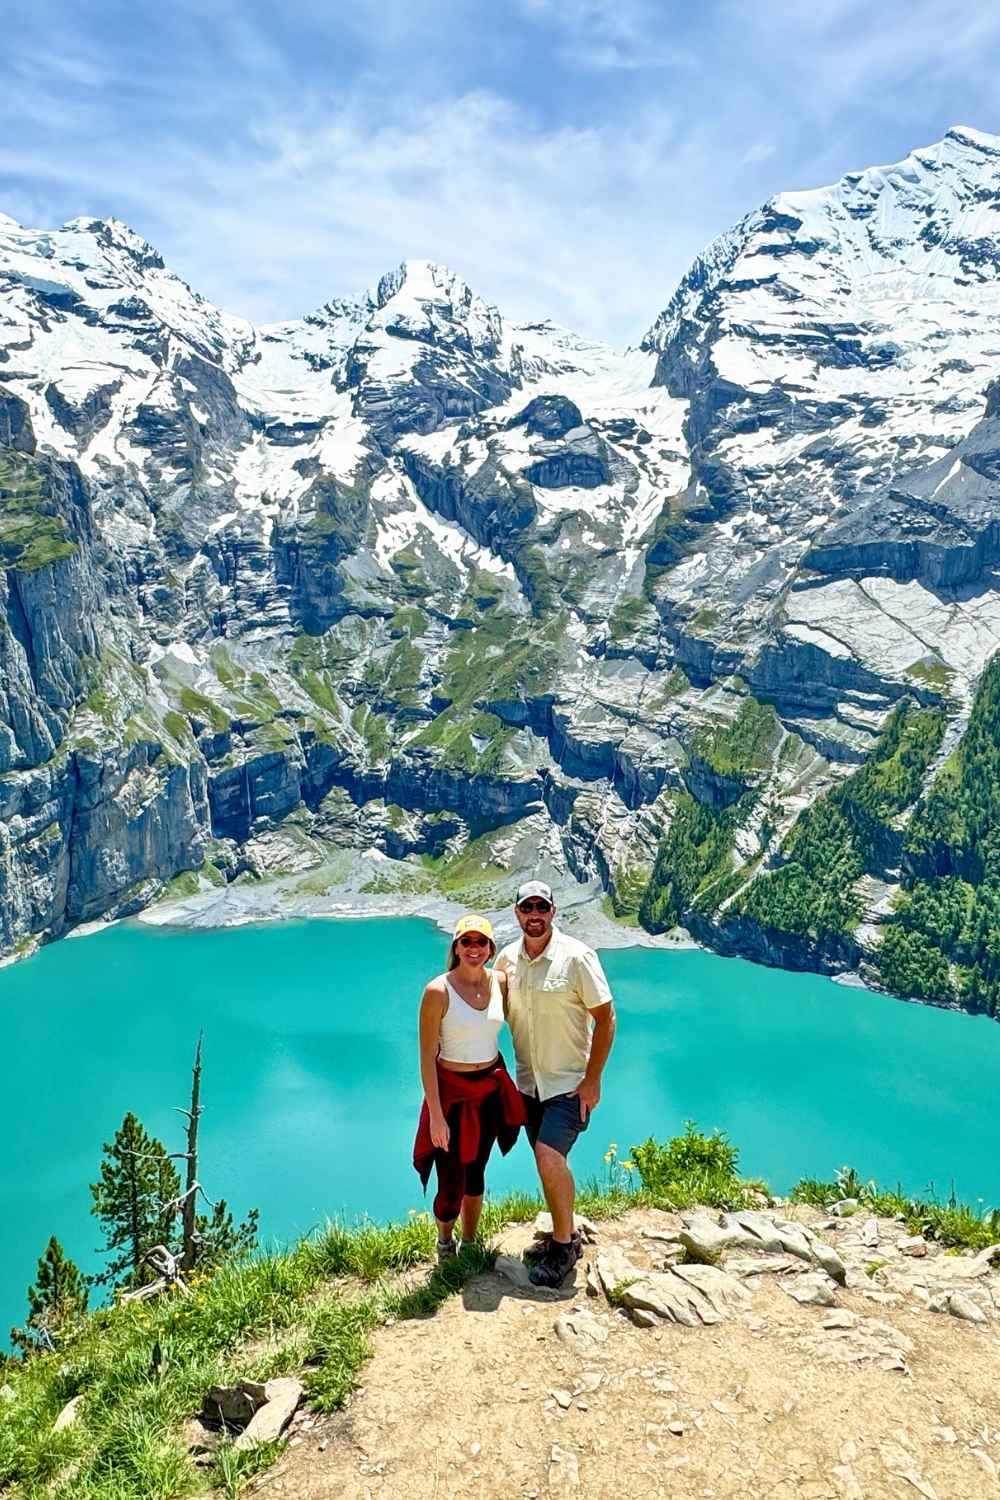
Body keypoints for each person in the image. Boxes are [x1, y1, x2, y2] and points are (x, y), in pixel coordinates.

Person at [495, 881, 616, 1288]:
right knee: (547, 1164)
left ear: (552, 911)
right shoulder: (507, 961)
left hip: (568, 1087)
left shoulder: (577, 957)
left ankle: (563, 1248)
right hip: (529, 1086)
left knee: (549, 1156)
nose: (534, 915)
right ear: (516, 913)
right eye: (527, 907)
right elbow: (484, 1007)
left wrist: (592, 1080)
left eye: (541, 907)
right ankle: (565, 1234)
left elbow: (606, 1018)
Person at [413, 914, 526, 1262]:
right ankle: (445, 1243)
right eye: (467, 942)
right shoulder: (437, 991)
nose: (474, 948)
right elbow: (427, 1057)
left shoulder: (501, 982)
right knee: (450, 1176)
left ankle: (471, 1241)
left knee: (477, 1168)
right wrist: (435, 1116)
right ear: (456, 947)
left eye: (481, 942)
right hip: (451, 1093)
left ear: (491, 949)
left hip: (489, 1089)